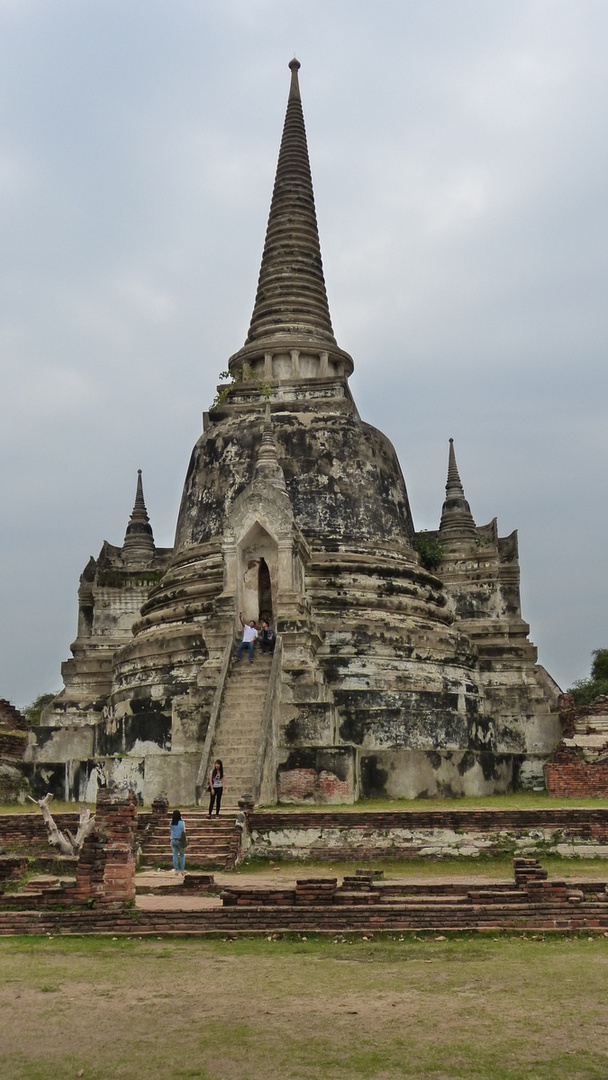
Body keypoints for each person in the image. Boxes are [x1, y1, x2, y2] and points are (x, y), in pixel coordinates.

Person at [170, 809, 186, 875]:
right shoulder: (182, 823)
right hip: (180, 840)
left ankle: (176, 870)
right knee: (182, 855)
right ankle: (182, 870)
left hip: (173, 840)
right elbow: (184, 831)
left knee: (175, 855)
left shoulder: (170, 823)